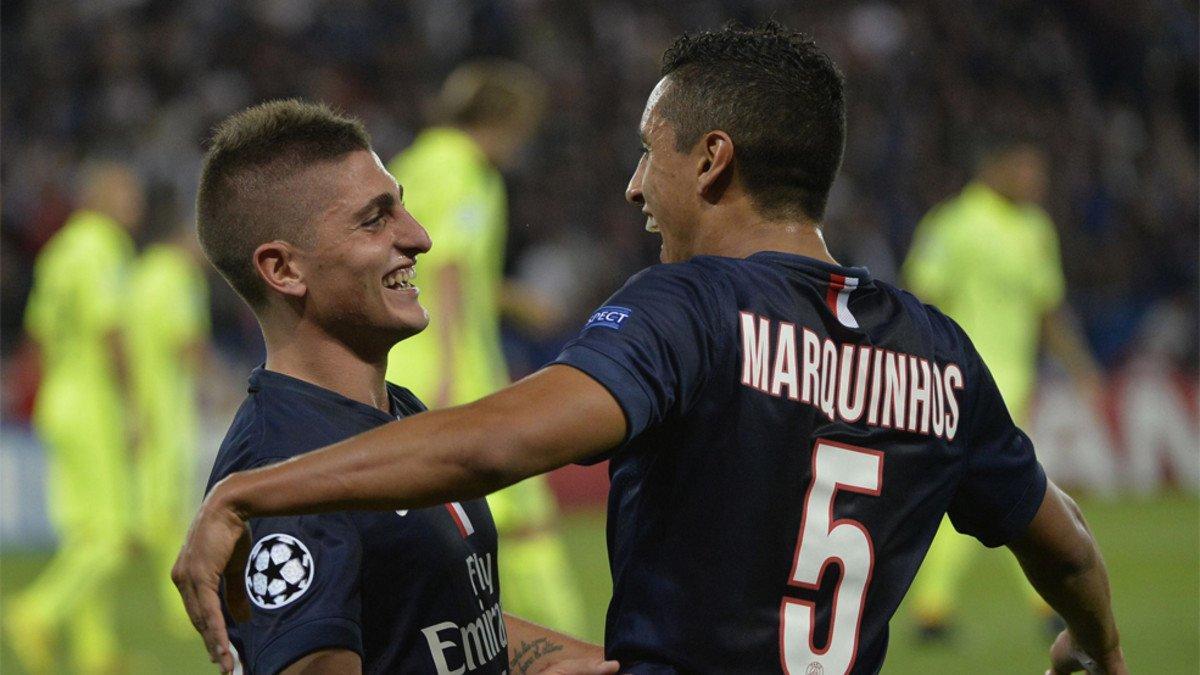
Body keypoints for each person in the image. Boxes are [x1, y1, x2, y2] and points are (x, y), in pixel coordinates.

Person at [176, 25, 1127, 675]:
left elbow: (495, 444)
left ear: (711, 160)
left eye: (648, 152)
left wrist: (248, 492)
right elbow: (1071, 547)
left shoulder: (690, 311)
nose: (635, 186)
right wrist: (1096, 646)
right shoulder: (941, 354)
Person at [190, 99, 615, 674]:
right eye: (375, 220)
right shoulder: (290, 470)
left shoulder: (394, 417)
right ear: (284, 270)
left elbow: (446, 625)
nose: (419, 238)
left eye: (404, 209)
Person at [387, 59, 585, 635]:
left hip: (418, 360)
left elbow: (440, 268)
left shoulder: (415, 162)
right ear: (507, 122)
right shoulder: (465, 171)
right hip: (453, 365)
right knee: (515, 510)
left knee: (455, 516)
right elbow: (446, 267)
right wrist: (449, 366)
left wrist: (513, 300)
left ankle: (483, 632)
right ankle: (564, 640)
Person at [902, 141, 1106, 640]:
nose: (1036, 181)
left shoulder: (1035, 229)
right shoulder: (953, 224)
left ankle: (935, 609)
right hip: (965, 380)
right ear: (995, 166)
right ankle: (1044, 605)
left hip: (1016, 382)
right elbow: (920, 298)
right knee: (1021, 487)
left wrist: (1081, 367)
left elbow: (1047, 310)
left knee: (989, 487)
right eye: (1026, 169)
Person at [5, 161, 143, 674]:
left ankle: (94, 653)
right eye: (126, 193)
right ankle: (35, 612)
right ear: (102, 197)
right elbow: (110, 330)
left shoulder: (59, 251)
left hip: (58, 401)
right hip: (93, 403)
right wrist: (131, 408)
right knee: (111, 536)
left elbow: (37, 333)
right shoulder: (102, 247)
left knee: (84, 534)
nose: (135, 205)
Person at [125, 218, 213, 637]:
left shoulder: (140, 273)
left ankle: (175, 605)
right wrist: (220, 384)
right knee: (169, 510)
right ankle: (181, 607)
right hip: (168, 406)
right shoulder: (178, 277)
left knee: (161, 509)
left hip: (139, 403)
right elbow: (186, 342)